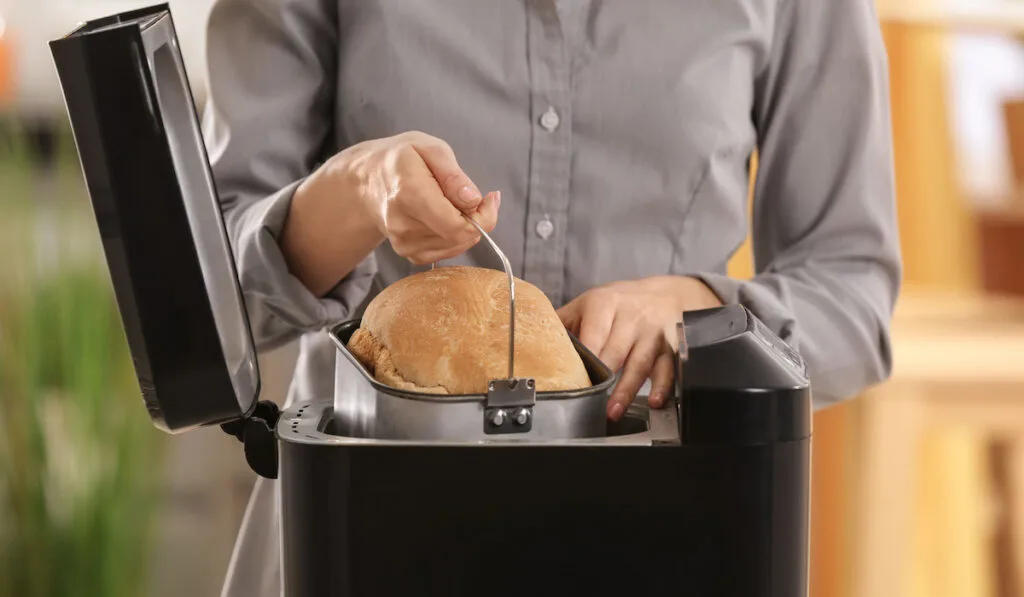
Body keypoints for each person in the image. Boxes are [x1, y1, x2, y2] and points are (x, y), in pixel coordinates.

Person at [201, 1, 902, 595]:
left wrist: (699, 311)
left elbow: (850, 287)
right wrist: (355, 193)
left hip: (659, 540)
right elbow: (209, 296)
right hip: (357, 533)